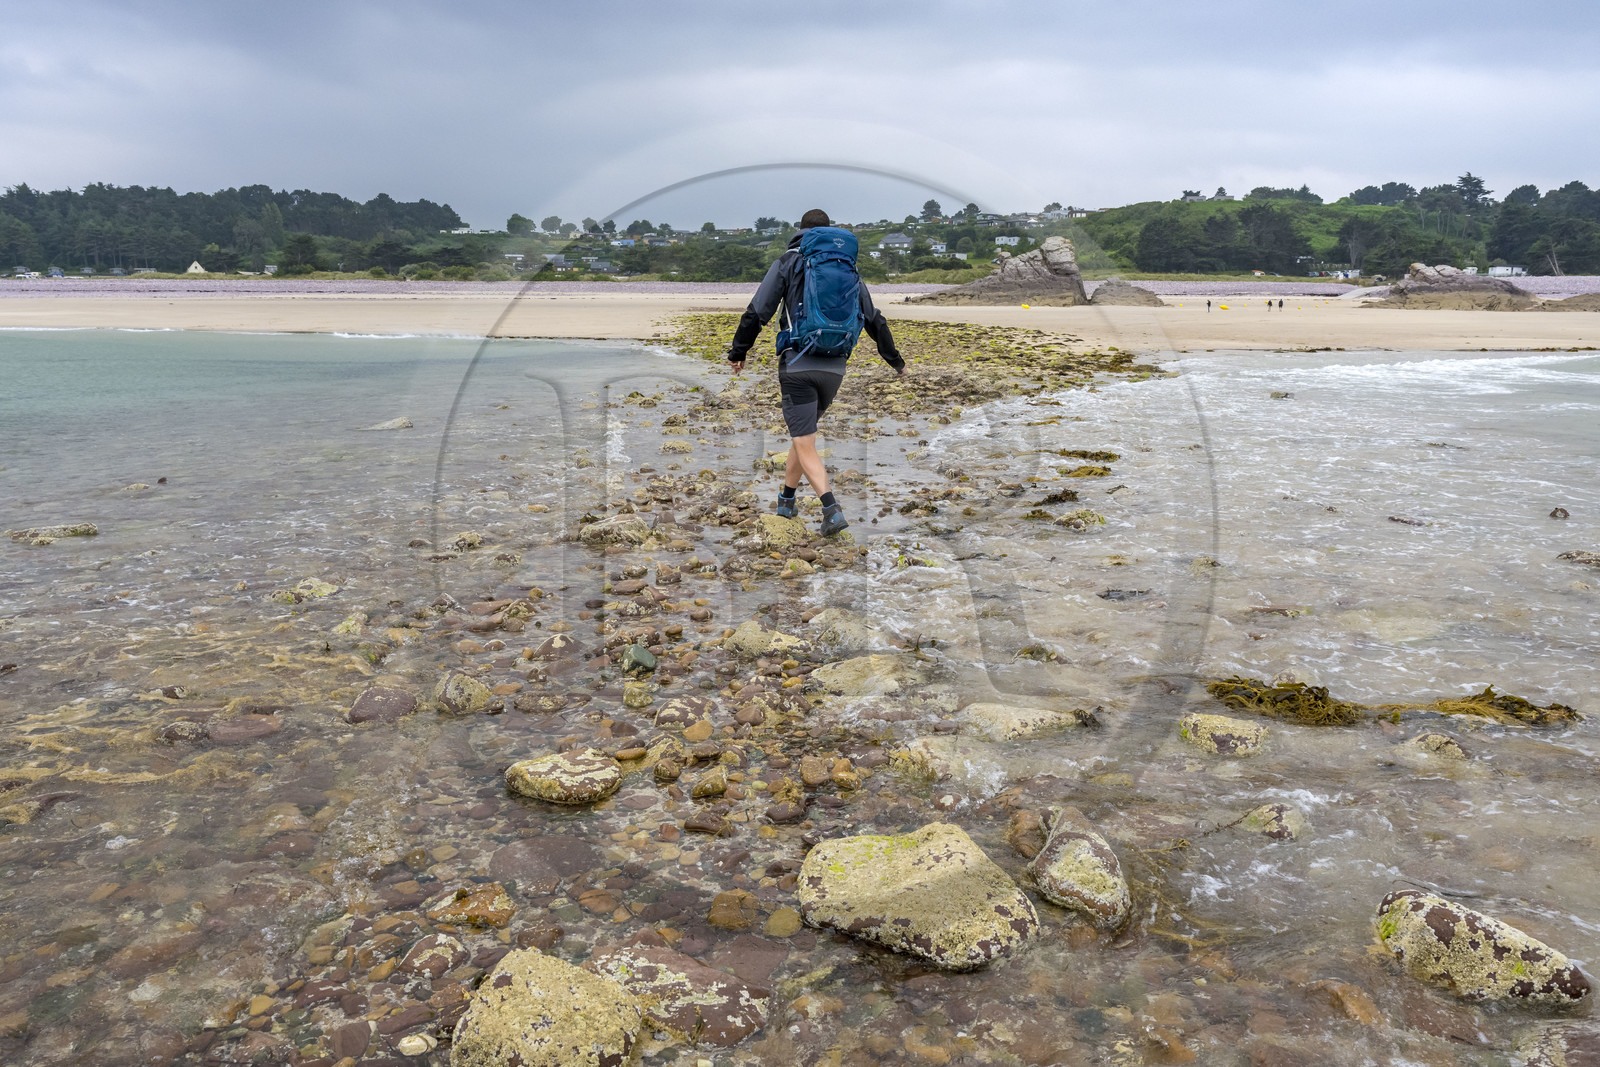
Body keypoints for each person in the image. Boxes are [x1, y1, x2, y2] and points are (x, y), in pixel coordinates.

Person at [727, 208, 905, 537]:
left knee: (805, 442)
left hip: (798, 364)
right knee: (803, 436)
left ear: (801, 231)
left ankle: (831, 509)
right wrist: (896, 362)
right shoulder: (846, 267)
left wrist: (739, 351)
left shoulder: (789, 261)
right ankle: (786, 500)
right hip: (835, 368)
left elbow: (758, 309)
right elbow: (873, 319)